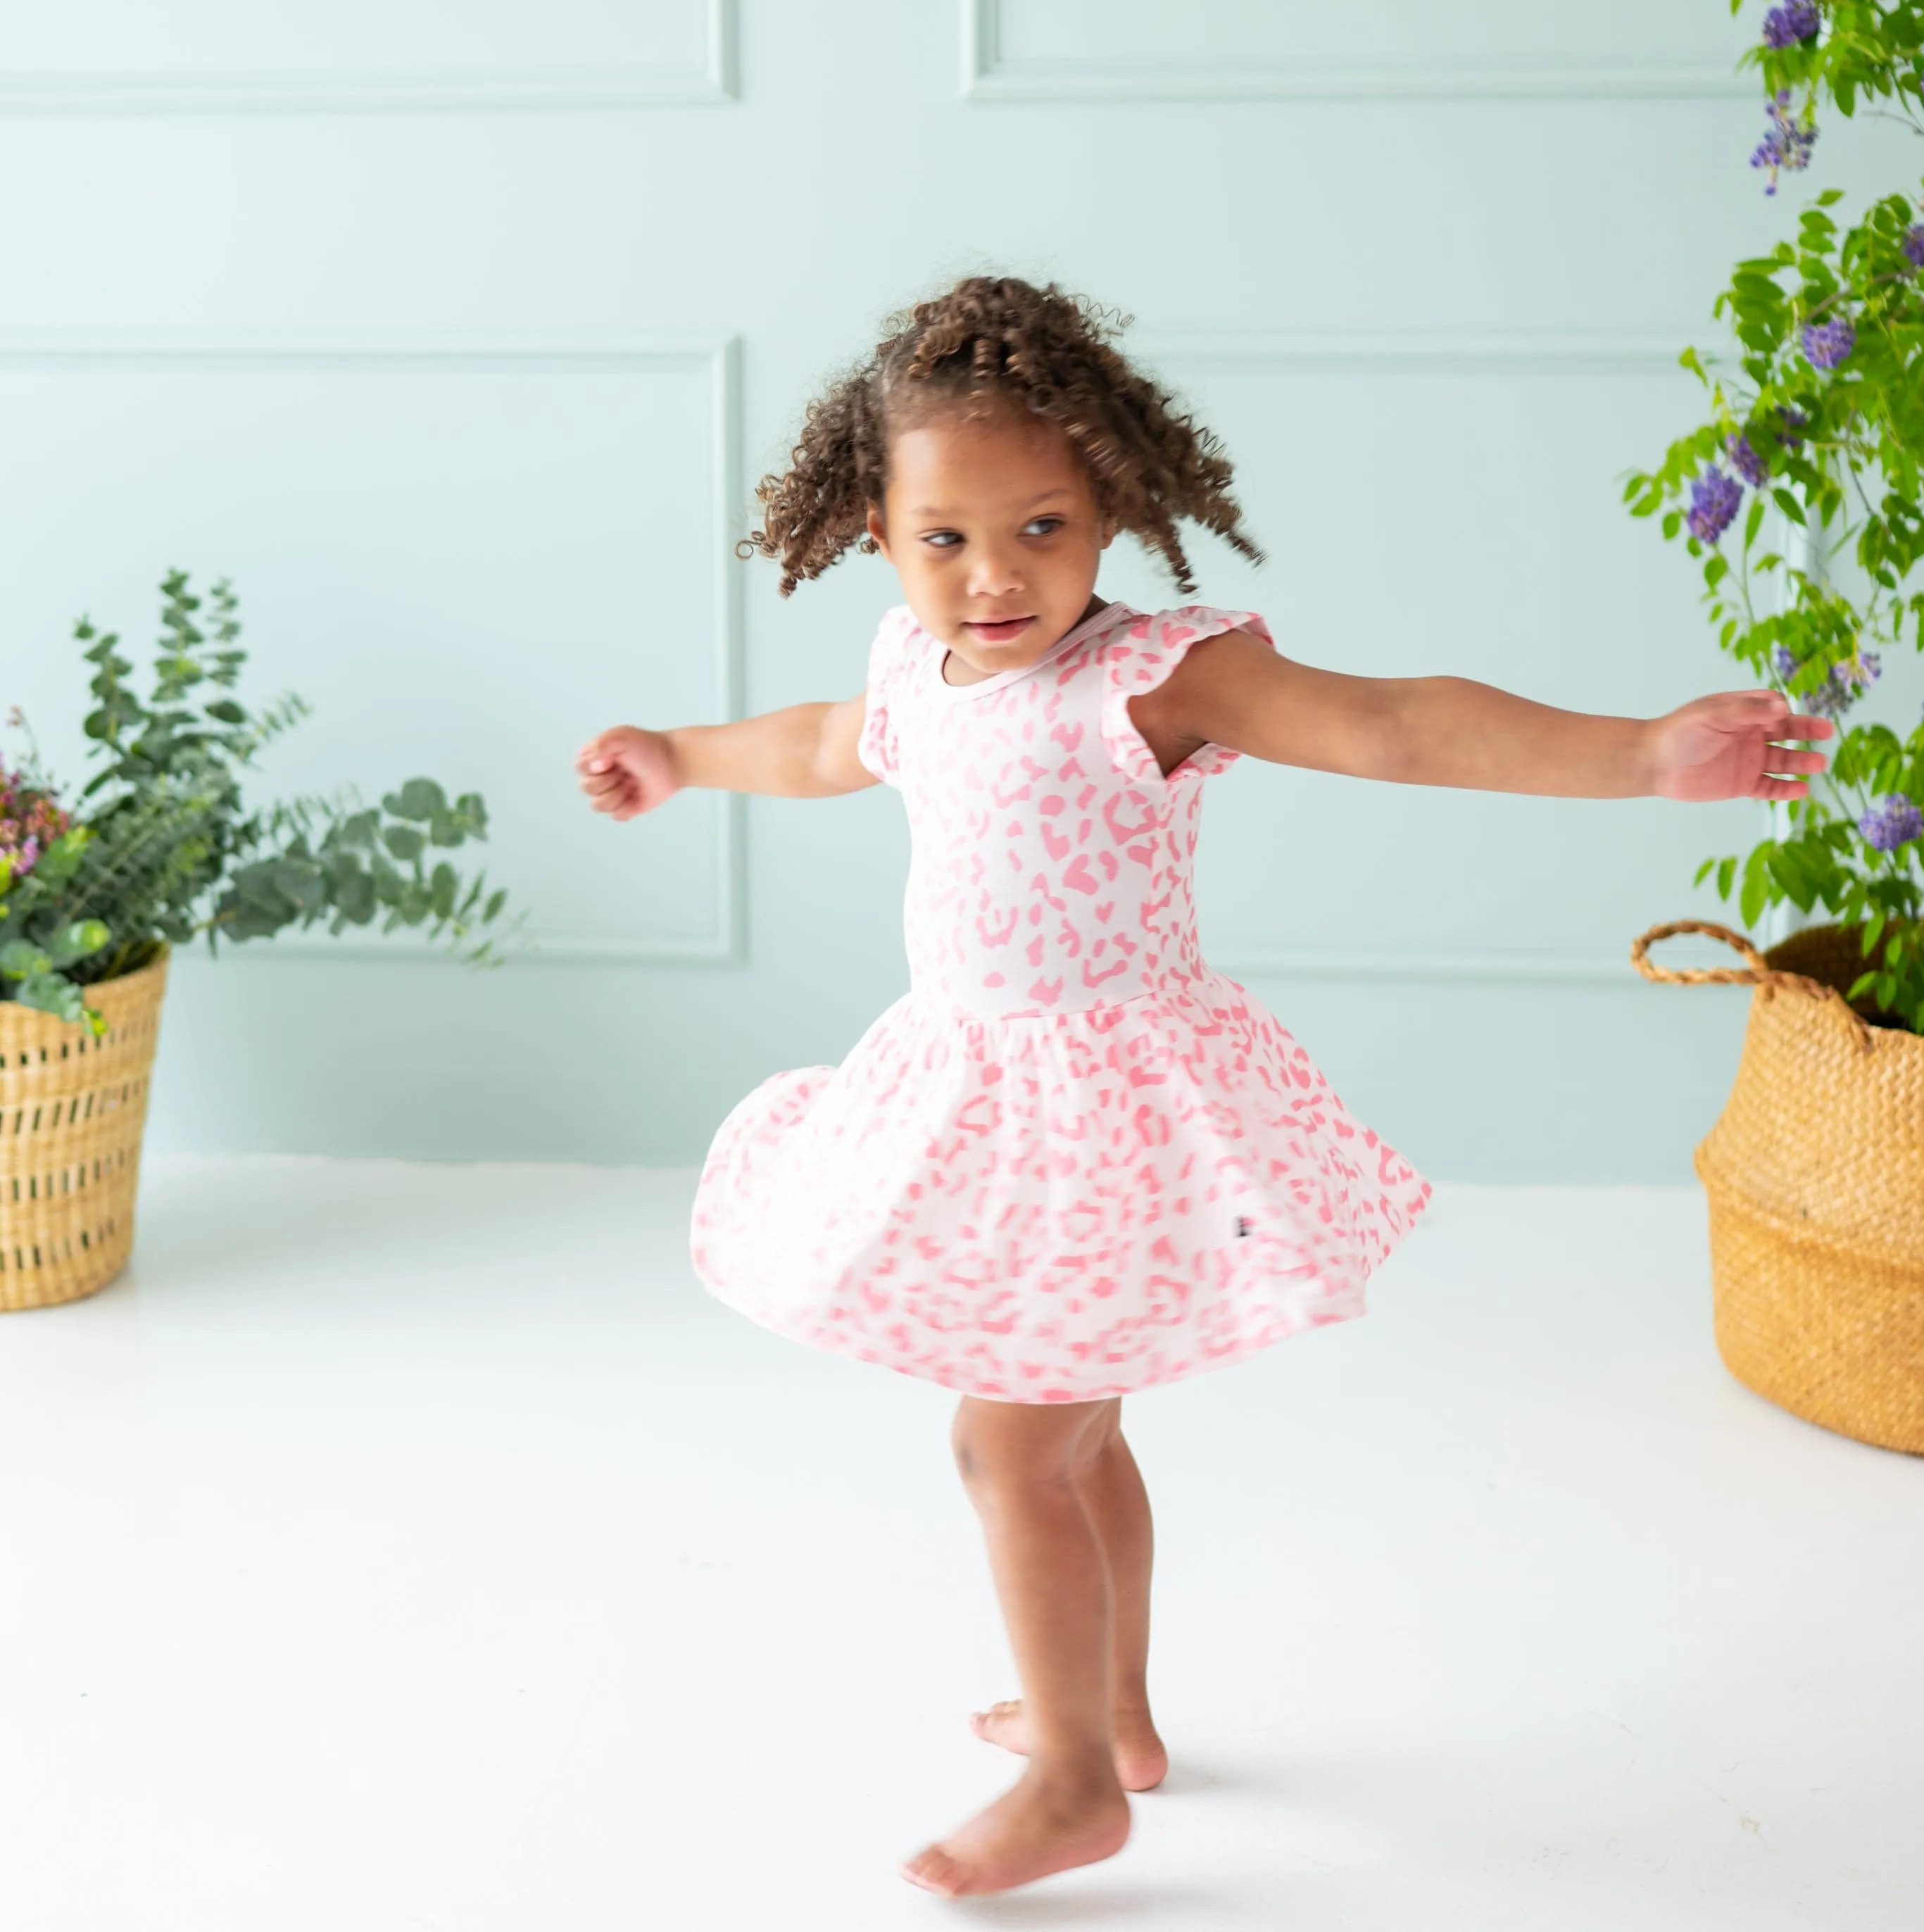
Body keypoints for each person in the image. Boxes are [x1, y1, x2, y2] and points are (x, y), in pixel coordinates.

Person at [575, 277, 1832, 1899]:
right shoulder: (912, 673)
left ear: (1113, 502)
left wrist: (1643, 752)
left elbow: (1389, 725)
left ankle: (1077, 1782)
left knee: (1008, 1451)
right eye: (945, 537)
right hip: (980, 1106)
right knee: (1079, 1442)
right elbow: (824, 743)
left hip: (1115, 1118)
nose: (994, 573)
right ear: (877, 533)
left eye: (1040, 523)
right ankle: (1113, 1714)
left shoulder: (1149, 678)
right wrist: (681, 753)